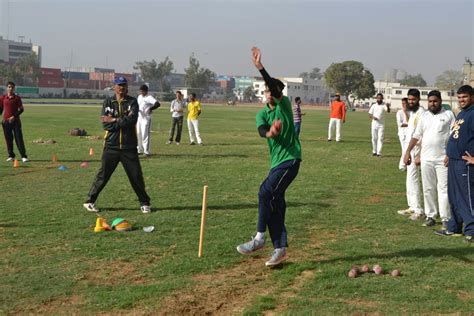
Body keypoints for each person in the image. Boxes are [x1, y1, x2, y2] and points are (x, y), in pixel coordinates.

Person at [236, 47, 302, 267]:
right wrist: (270, 133)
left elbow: (275, 87)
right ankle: (280, 249)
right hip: (276, 164)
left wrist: (260, 68)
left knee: (264, 191)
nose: (269, 94)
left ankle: (259, 238)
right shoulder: (262, 113)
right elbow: (261, 130)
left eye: (272, 91)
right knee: (275, 203)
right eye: (267, 91)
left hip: (290, 160)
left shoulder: (283, 105)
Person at [83, 76, 152, 214]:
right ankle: (89, 201)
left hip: (129, 147)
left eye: (124, 85)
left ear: (127, 87)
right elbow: (105, 124)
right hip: (111, 146)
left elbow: (131, 121)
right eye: (119, 85)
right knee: (103, 175)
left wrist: (114, 119)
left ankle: (144, 203)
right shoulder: (108, 102)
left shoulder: (132, 102)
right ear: (114, 87)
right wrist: (119, 121)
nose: (121, 87)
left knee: (136, 176)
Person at [403, 90, 455, 228]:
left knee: (443, 188)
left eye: (435, 101)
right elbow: (417, 135)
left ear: (440, 101)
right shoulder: (424, 116)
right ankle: (431, 215)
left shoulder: (448, 115)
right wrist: (408, 152)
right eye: (430, 101)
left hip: (443, 158)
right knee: (428, 188)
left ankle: (446, 217)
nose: (433, 104)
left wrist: (450, 154)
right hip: (426, 158)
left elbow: (453, 136)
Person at [435, 85, 474, 243]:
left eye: (464, 97)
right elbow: (456, 136)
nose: (461, 100)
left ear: (472, 96)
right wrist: (449, 154)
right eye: (459, 98)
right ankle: (454, 226)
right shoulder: (462, 113)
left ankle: (471, 230)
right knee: (453, 196)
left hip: (465, 164)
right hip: (454, 160)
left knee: (467, 197)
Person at [397, 89, 425, 219]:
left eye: (413, 99)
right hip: (409, 148)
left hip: (417, 149)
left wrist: (419, 154)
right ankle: (412, 206)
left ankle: (418, 209)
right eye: (409, 99)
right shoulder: (413, 113)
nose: (411, 101)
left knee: (414, 178)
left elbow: (421, 134)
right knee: (409, 179)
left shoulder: (422, 113)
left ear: (418, 99)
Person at [0, 81, 28, 162]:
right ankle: (11, 155)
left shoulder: (17, 98)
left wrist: (14, 116)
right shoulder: (3, 98)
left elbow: (21, 109)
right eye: (9, 87)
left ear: (14, 88)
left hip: (16, 122)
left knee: (19, 139)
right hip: (6, 122)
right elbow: (1, 109)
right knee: (8, 140)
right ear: (6, 88)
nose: (11, 88)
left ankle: (23, 156)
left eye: (12, 87)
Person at [136, 84, 160, 156]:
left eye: (143, 91)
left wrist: (150, 108)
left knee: (145, 134)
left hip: (146, 118)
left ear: (146, 91)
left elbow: (157, 104)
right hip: (139, 117)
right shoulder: (139, 97)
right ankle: (139, 150)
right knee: (138, 133)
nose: (141, 92)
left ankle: (147, 151)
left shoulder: (149, 97)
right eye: (140, 91)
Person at [396, 98, 409, 170]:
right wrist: (409, 124)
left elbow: (410, 121)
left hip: (409, 134)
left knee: (407, 150)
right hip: (402, 134)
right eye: (403, 103)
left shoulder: (410, 112)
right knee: (404, 150)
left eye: (405, 103)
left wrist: (406, 113)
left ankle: (405, 165)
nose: (404, 105)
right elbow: (400, 124)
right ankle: (402, 166)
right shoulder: (399, 112)